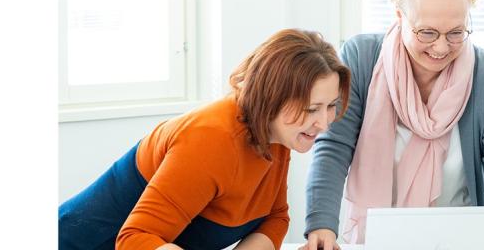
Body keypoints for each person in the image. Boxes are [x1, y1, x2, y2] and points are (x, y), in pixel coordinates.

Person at [301, 0, 484, 249]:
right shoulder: (361, 58)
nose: (440, 46)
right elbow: (334, 148)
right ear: (400, 17)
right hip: (373, 240)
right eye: (427, 32)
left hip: (463, 241)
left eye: (455, 33)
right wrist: (321, 224)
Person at [59, 29, 351, 250]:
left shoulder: (278, 134)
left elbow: (275, 217)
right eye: (312, 109)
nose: (324, 123)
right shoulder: (210, 141)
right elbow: (135, 240)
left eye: (330, 106)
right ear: (272, 98)